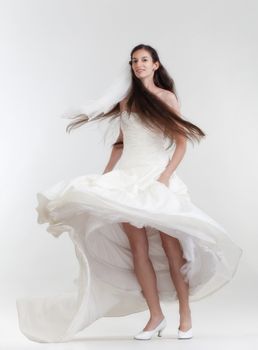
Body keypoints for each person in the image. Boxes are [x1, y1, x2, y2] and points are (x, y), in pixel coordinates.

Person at [16, 44, 243, 343]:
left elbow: (181, 143)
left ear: (156, 65)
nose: (139, 65)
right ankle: (155, 315)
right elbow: (121, 143)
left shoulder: (166, 98)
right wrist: (107, 175)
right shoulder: (126, 102)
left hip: (158, 179)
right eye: (135, 61)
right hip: (128, 179)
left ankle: (185, 314)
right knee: (138, 250)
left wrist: (165, 176)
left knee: (172, 249)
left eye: (145, 60)